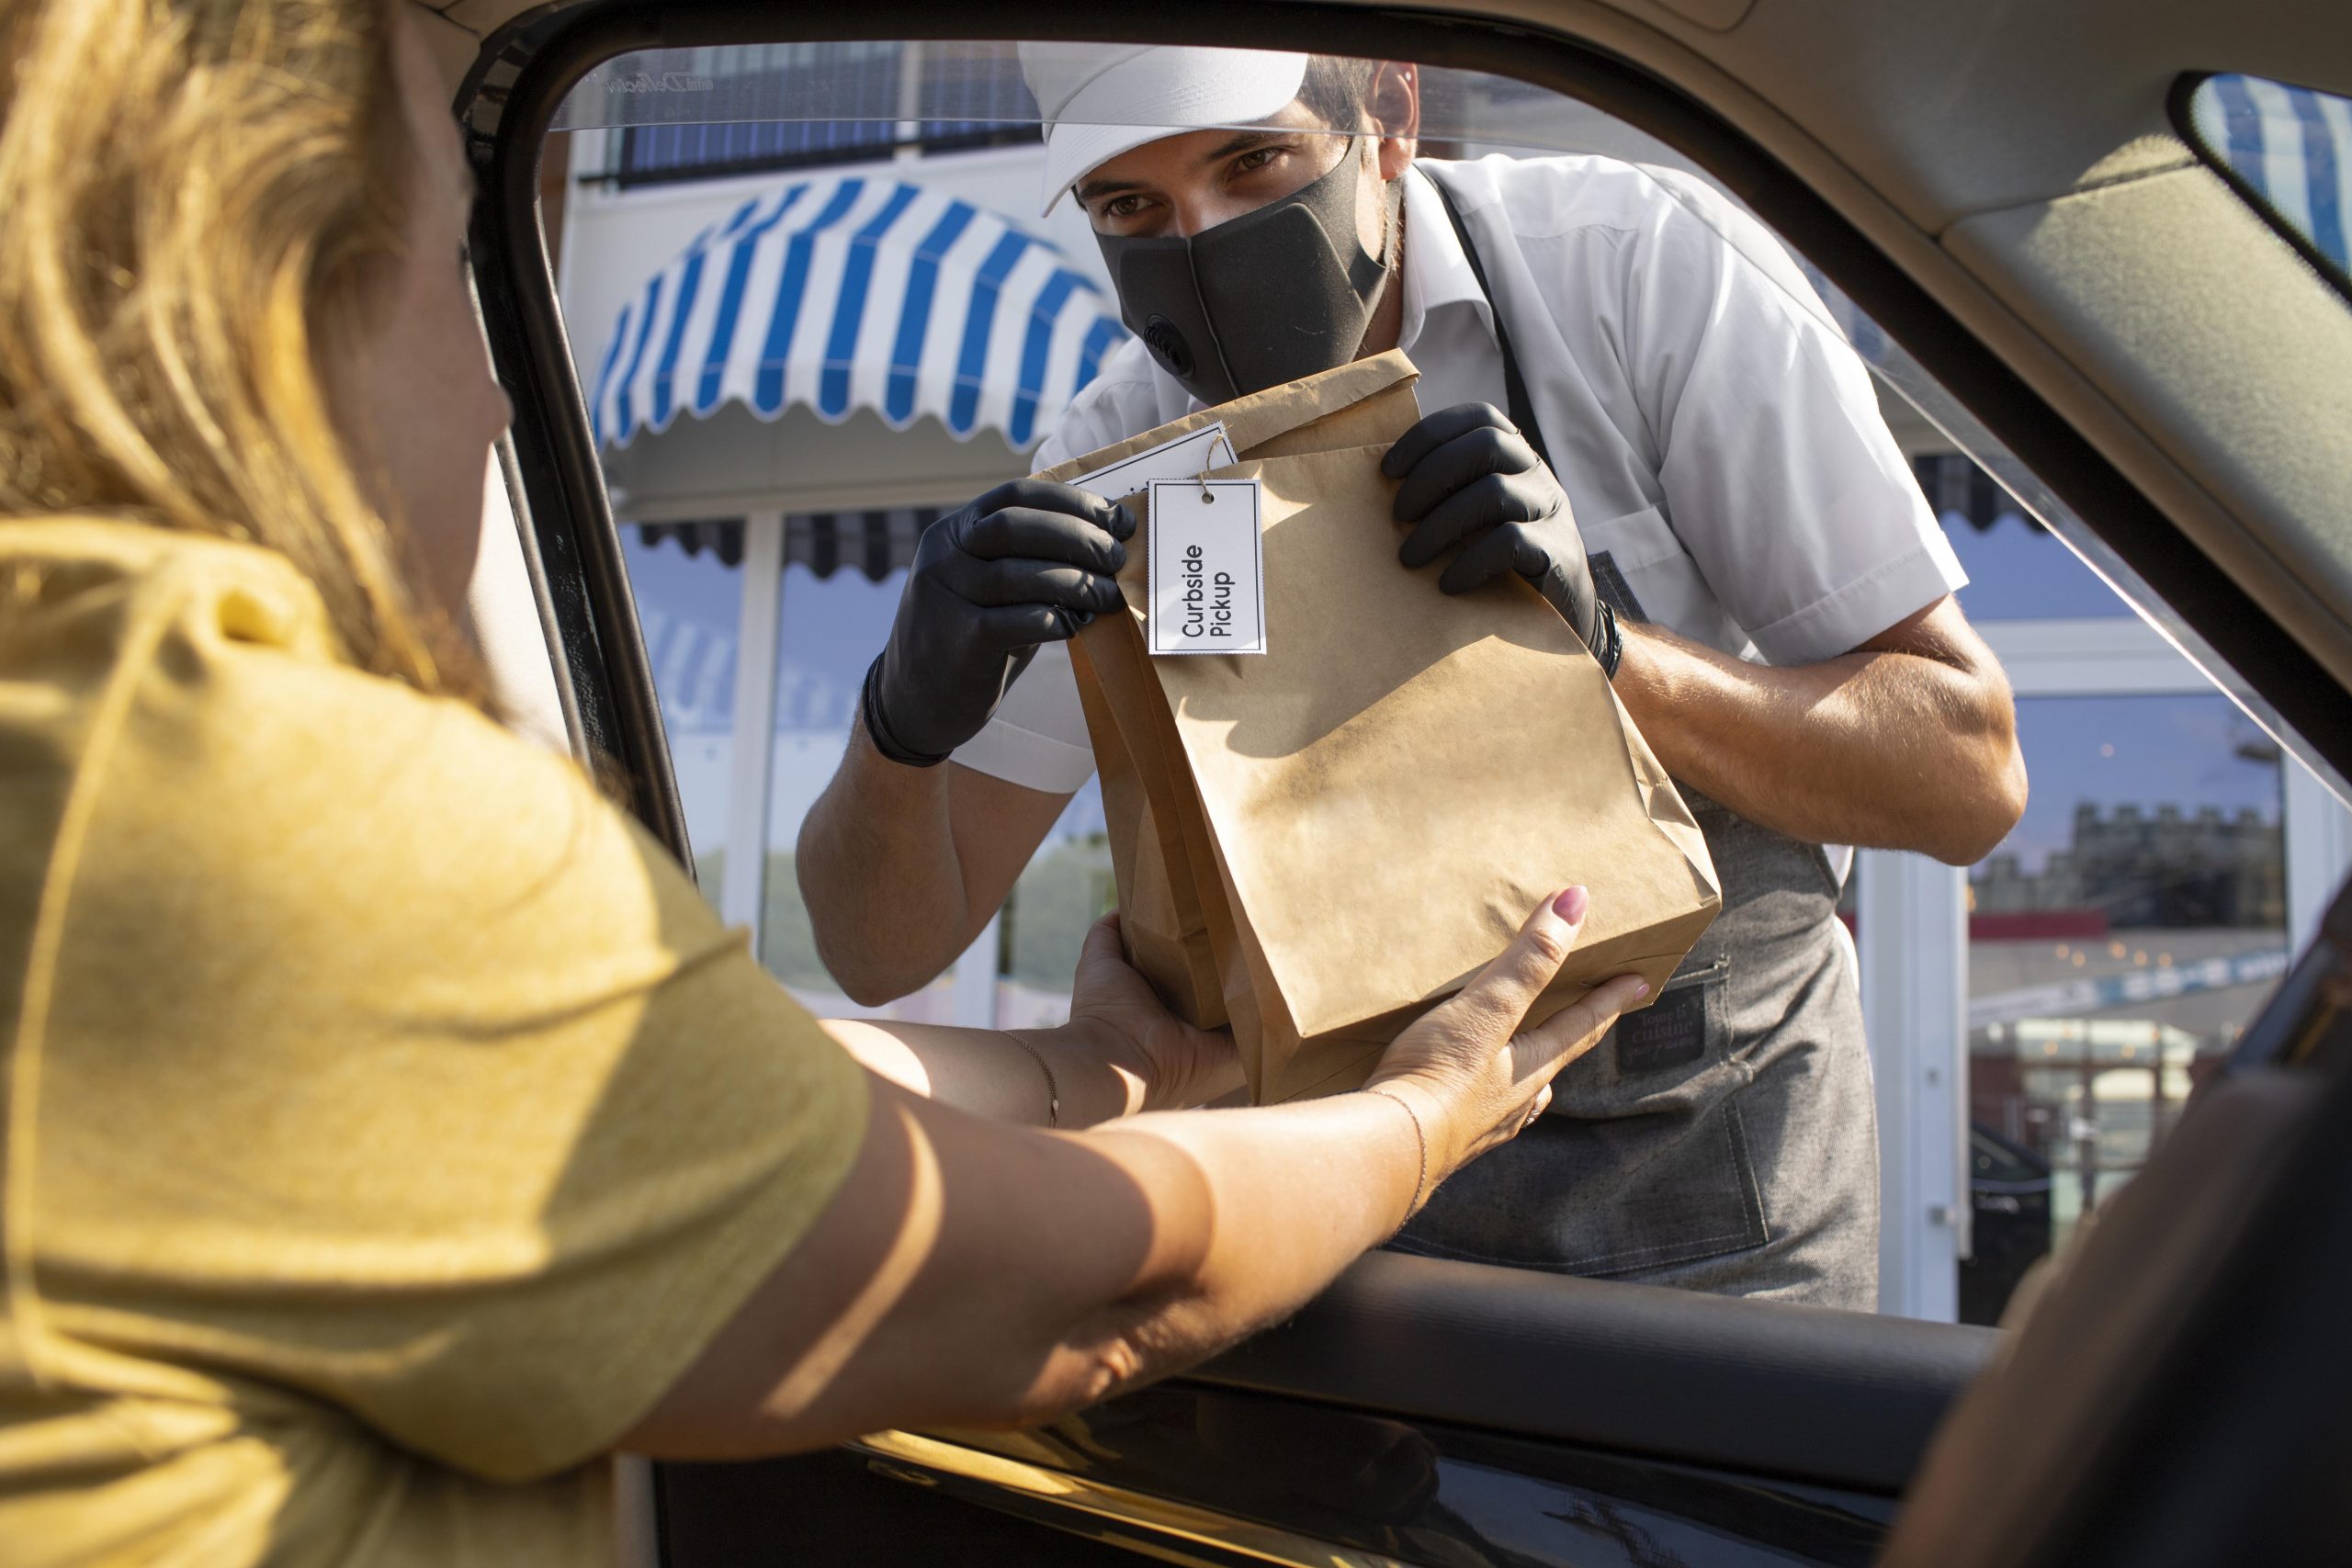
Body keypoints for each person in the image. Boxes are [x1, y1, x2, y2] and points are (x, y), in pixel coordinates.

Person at [0, 6, 1653, 1563]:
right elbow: (1083, 1295)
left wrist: (1093, 1070)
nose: (503, 392)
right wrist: (1429, 1110)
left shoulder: (91, 732)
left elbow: (705, 1080)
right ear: (282, 308)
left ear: (1387, 130)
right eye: (449, 266)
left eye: (1252, 167)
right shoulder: (281, 821)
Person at [797, 46, 2030, 1309]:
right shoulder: (1126, 460)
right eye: (1132, 208)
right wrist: (904, 719)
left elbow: (1966, 775)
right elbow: (883, 948)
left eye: (1253, 161)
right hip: (1336, 1217)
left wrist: (1607, 645)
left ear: (1388, 114)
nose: (1207, 241)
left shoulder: (1632, 270)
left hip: (1713, 1196)